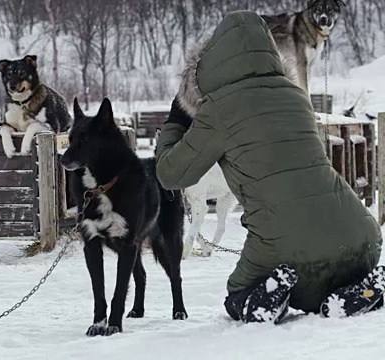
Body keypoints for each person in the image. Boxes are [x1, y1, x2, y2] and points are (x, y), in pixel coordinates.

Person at [155, 10, 384, 323]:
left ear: (209, 65)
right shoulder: (296, 96)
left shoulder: (219, 109)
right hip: (362, 236)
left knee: (236, 295)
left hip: (288, 248)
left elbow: (171, 174)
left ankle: (267, 296)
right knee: (331, 267)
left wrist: (176, 121)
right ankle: (356, 291)